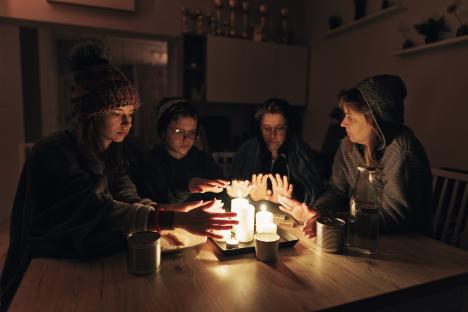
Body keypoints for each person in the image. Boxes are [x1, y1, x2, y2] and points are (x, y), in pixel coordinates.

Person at [0, 42, 236, 310]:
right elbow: (97, 210)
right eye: (116, 113)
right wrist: (174, 218)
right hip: (45, 262)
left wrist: (169, 209)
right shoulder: (54, 152)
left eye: (130, 114)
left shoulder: (114, 150)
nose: (128, 123)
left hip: (86, 255)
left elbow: (126, 196)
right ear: (91, 114)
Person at [279, 74, 432, 237]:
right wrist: (316, 212)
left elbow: (394, 217)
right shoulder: (348, 145)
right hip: (363, 236)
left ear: (375, 122)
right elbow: (337, 191)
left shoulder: (403, 152)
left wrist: (332, 219)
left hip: (407, 245)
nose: (342, 123)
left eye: (350, 117)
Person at [126, 97, 229, 205]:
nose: (186, 138)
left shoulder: (204, 160)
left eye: (191, 133)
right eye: (179, 131)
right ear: (163, 132)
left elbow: (223, 195)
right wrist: (189, 186)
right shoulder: (150, 162)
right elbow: (158, 201)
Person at [230, 98, 323, 207]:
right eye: (266, 128)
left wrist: (291, 199)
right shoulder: (248, 150)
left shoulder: (301, 151)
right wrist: (251, 198)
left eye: (279, 128)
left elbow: (315, 194)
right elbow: (231, 191)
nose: (272, 135)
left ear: (288, 128)